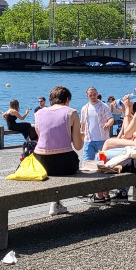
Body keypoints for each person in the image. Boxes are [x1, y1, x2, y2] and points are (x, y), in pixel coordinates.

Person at [33, 86, 83, 215]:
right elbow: (78, 146)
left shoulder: (38, 113)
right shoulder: (71, 112)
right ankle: (56, 204)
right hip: (64, 162)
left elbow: (41, 136)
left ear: (50, 100)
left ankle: (55, 203)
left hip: (40, 162)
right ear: (67, 99)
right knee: (72, 158)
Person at [80, 87, 112, 161]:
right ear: (87, 96)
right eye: (90, 95)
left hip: (102, 139)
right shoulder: (84, 108)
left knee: (103, 162)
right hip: (88, 140)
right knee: (86, 162)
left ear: (97, 94)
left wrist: (108, 123)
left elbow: (111, 118)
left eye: (94, 94)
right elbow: (83, 123)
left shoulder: (104, 106)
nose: (93, 97)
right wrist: (82, 137)